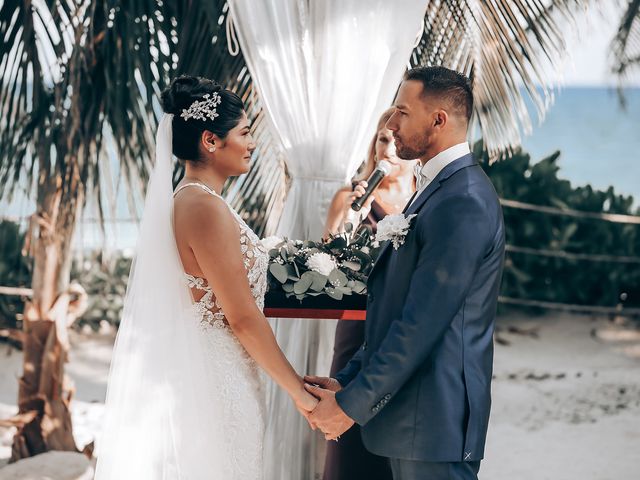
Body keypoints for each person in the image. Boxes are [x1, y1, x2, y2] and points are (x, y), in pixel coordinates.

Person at [95, 75, 316, 480]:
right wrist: (298, 393)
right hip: (217, 379)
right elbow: (243, 317)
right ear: (211, 141)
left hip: (224, 371)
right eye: (245, 133)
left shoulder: (196, 201)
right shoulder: (203, 207)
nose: (252, 144)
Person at [306, 66, 505, 480]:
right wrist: (347, 380)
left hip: (433, 422)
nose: (391, 124)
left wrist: (351, 405)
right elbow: (394, 308)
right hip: (410, 422)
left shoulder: (462, 200)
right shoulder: (433, 190)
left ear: (438, 120)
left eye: (401, 111)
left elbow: (419, 326)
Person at [322, 107, 415, 480]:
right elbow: (325, 266)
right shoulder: (350, 197)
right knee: (350, 435)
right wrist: (350, 221)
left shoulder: (422, 201)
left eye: (396, 140)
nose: (388, 148)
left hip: (404, 326)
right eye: (382, 138)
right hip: (357, 323)